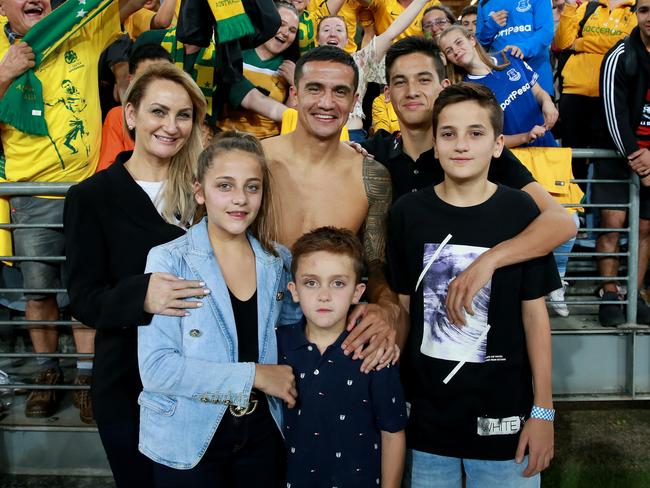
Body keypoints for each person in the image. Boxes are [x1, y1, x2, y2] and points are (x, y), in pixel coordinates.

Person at [387, 82, 558, 487]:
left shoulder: (520, 211)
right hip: (427, 423)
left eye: (476, 133)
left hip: (505, 422)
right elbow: (404, 311)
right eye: (448, 133)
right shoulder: (407, 212)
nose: (461, 144)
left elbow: (534, 316)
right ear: (435, 142)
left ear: (498, 145)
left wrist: (544, 410)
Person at [361, 36, 576, 327]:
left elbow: (560, 222)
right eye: (400, 82)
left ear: (444, 86)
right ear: (387, 93)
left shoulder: (478, 156)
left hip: (470, 322)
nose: (412, 91)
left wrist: (489, 261)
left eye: (424, 79)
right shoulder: (373, 154)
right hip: (399, 322)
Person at [0, 0, 148, 420]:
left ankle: (86, 377)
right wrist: (6, 71)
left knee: (87, 288)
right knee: (39, 291)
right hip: (29, 192)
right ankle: (49, 374)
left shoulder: (79, 26)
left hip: (86, 190)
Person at [64, 64, 209, 487]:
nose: (171, 126)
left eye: (183, 115)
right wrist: (141, 296)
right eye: (158, 112)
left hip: (206, 375)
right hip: (130, 382)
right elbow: (85, 298)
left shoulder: (211, 189)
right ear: (130, 115)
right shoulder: (91, 197)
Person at [137, 132, 302, 486]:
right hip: (188, 435)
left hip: (262, 434)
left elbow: (296, 341)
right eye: (224, 186)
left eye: (252, 187)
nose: (239, 199)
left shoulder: (278, 261)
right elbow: (157, 370)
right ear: (200, 191)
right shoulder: (170, 259)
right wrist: (254, 376)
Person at [262, 46, 399, 372]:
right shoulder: (255, 159)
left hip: (327, 331)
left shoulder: (372, 176)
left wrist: (386, 306)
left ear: (354, 102)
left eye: (339, 92)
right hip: (254, 320)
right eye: (314, 89)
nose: (326, 103)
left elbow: (374, 264)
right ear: (294, 94)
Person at [279, 226, 406, 487]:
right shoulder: (278, 344)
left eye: (338, 283)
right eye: (311, 283)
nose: (324, 295)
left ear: (358, 292)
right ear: (293, 290)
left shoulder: (374, 352)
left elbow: (392, 433)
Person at [599, 0, 650, 326]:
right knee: (612, 226)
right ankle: (609, 293)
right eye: (644, 10)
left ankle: (634, 293)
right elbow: (612, 115)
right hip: (620, 156)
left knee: (646, 229)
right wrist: (638, 159)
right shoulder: (620, 55)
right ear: (635, 13)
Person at [316, 0, 428, 140]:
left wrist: (421, 1)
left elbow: (392, 33)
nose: (332, 34)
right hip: (316, 135)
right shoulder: (307, 66)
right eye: (326, 30)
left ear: (346, 39)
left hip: (353, 135)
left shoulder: (360, 60)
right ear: (317, 39)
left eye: (339, 30)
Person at [554, 0, 636, 182]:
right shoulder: (588, 7)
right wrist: (569, 7)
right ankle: (577, 208)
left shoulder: (637, 9)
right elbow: (563, 42)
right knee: (572, 160)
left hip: (610, 95)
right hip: (574, 92)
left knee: (608, 161)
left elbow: (626, 43)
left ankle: (601, 208)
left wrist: (581, 44)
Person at [439, 26, 558, 148]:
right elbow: (489, 139)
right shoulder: (467, 92)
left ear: (472, 40)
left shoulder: (509, 57)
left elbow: (538, 92)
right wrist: (526, 137)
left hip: (548, 146)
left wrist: (547, 102)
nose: (456, 51)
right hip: (516, 158)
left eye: (459, 42)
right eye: (449, 50)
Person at [218, 2, 299, 139]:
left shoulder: (291, 69)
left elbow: (292, 118)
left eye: (292, 30)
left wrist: (296, 83)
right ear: (267, 22)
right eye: (281, 24)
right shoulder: (235, 57)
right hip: (226, 139)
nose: (285, 33)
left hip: (268, 144)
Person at [97, 43, 173, 172]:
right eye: (147, 78)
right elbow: (108, 171)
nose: (157, 84)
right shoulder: (118, 116)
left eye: (165, 76)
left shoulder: (185, 116)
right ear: (131, 80)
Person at [476, 0, 555, 97]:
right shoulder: (484, 3)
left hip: (536, 71)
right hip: (502, 77)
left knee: (544, 108)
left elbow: (546, 32)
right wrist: (490, 26)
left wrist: (522, 48)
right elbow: (479, 45)